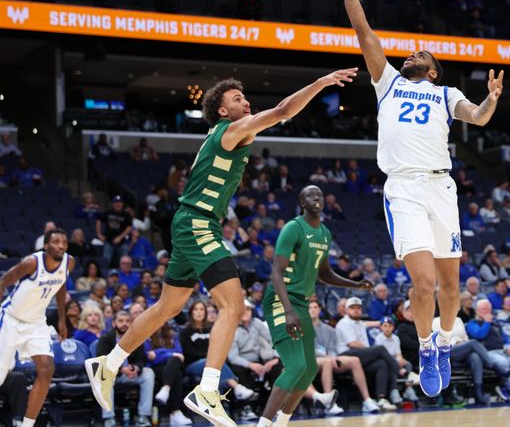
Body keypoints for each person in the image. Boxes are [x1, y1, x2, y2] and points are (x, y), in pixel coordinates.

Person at [85, 70, 356, 427]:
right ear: (223, 112)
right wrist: (320, 84)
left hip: (191, 222)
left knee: (169, 305)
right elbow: (282, 110)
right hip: (197, 222)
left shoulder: (226, 133)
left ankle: (109, 362)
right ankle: (207, 390)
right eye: (236, 99)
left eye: (244, 97)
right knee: (233, 303)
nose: (245, 101)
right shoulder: (231, 131)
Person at [332, 0, 504, 399]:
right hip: (404, 188)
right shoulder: (386, 81)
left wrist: (490, 99)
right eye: (410, 53)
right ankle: (427, 347)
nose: (412, 54)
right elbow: (361, 25)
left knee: (452, 286)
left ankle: (446, 342)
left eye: (420, 56)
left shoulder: (447, 95)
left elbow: (479, 117)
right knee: (424, 282)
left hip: (441, 189)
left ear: (433, 72)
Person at [257, 186, 376, 427]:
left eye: (320, 195)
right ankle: (264, 423)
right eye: (310, 196)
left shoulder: (324, 233)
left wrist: (354, 284)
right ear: (302, 201)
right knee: (296, 365)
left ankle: (282, 422)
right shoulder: (293, 228)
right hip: (282, 300)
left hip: (301, 303)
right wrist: (288, 310)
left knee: (310, 368)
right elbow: (276, 273)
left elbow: (324, 273)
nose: (316, 199)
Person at [0, 228, 73, 427]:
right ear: (46, 246)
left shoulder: (69, 262)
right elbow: (3, 282)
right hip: (11, 319)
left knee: (47, 368)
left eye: (64, 242)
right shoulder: (31, 263)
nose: (61, 246)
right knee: (1, 374)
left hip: (36, 322)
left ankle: (27, 425)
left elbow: (61, 286)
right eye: (57, 242)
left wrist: (61, 319)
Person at [308, 299, 382, 413]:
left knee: (355, 360)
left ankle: (367, 400)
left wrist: (332, 356)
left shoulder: (328, 329)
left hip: (330, 357)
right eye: (310, 308)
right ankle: (329, 403)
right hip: (312, 359)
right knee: (327, 362)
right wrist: (328, 357)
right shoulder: (302, 328)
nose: (312, 310)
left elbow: (332, 348)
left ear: (319, 310)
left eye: (315, 307)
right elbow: (308, 349)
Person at [335, 298, 401, 410]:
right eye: (352, 308)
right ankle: (402, 372)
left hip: (359, 357)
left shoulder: (360, 323)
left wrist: (384, 321)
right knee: (379, 349)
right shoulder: (343, 323)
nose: (356, 310)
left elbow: (372, 323)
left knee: (381, 363)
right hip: (345, 356)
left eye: (358, 308)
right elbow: (352, 343)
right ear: (346, 310)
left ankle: (380, 398)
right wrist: (371, 351)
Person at [179, 301, 253, 400]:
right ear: (191, 312)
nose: (199, 312)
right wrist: (210, 356)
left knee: (216, 366)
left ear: (205, 312)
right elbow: (188, 352)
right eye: (196, 309)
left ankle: (221, 404)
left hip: (210, 363)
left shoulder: (210, 329)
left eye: (201, 309)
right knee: (214, 363)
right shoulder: (185, 331)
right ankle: (237, 387)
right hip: (192, 365)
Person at [466, 299, 510, 401]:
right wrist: (487, 323)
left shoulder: (496, 322)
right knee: (503, 363)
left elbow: (505, 338)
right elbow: (479, 335)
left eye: (488, 309)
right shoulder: (472, 323)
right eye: (484, 309)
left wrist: (508, 346)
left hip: (503, 351)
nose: (487, 311)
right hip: (487, 353)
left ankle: (508, 387)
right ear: (477, 310)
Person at [145, 324, 192, 426]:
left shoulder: (172, 335)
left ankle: (166, 388)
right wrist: (169, 354)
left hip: (173, 365)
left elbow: (180, 354)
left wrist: (158, 353)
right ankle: (175, 413)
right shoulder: (145, 335)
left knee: (175, 362)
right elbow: (149, 356)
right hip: (156, 367)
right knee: (177, 374)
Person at [96, 196, 133, 267]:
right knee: (106, 261)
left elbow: (129, 227)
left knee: (125, 262)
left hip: (122, 242)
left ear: (122, 204)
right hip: (108, 241)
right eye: (116, 202)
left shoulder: (126, 215)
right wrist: (99, 234)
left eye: (119, 202)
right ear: (113, 204)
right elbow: (99, 220)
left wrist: (120, 237)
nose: (118, 204)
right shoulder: (108, 213)